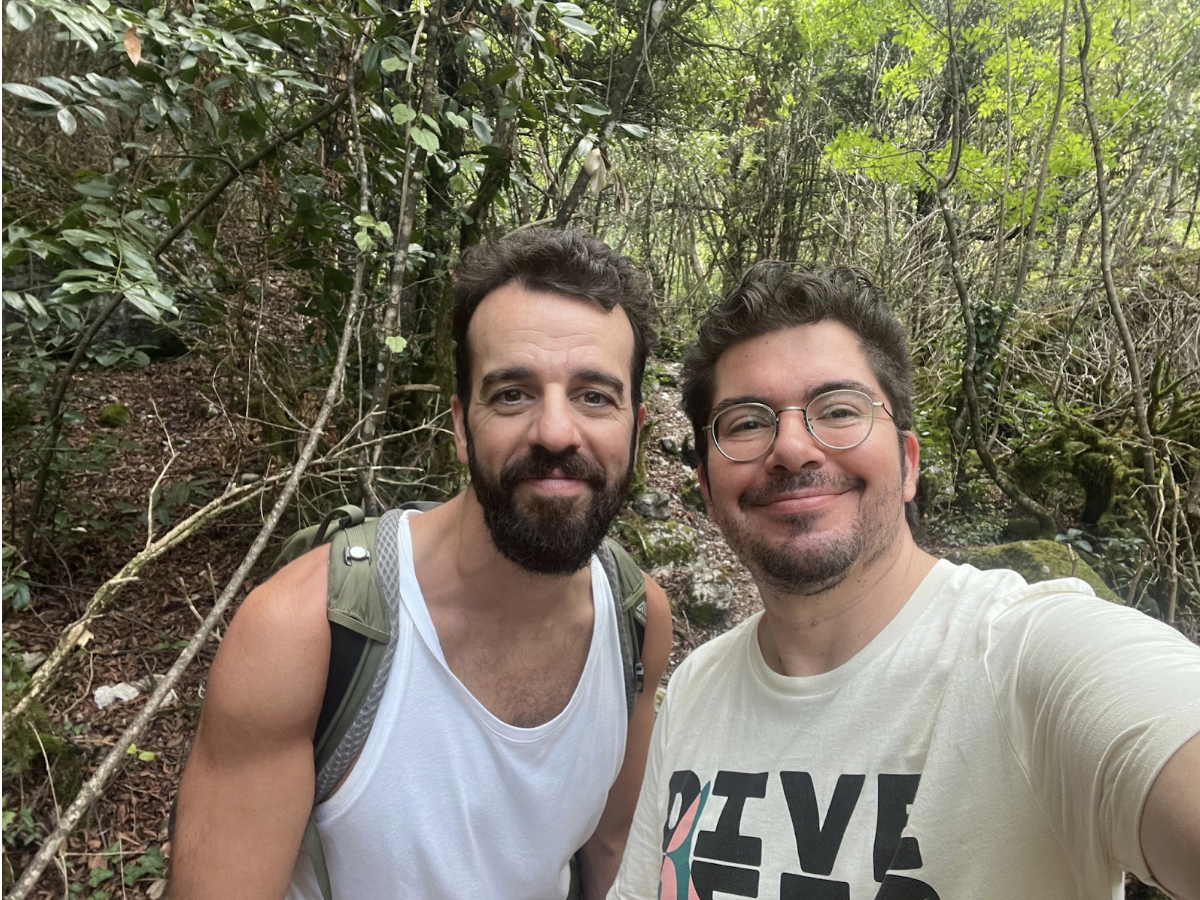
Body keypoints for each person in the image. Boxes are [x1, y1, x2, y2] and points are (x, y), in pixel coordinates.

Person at [610, 262, 1200, 900]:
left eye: (837, 410)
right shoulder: (698, 690)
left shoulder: (1028, 656)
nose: (793, 448)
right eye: (747, 422)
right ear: (705, 485)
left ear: (908, 463)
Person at [171, 227, 672, 900]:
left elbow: (614, 853)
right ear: (462, 428)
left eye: (594, 396)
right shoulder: (302, 633)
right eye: (513, 394)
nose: (556, 431)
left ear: (636, 429)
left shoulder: (639, 621)